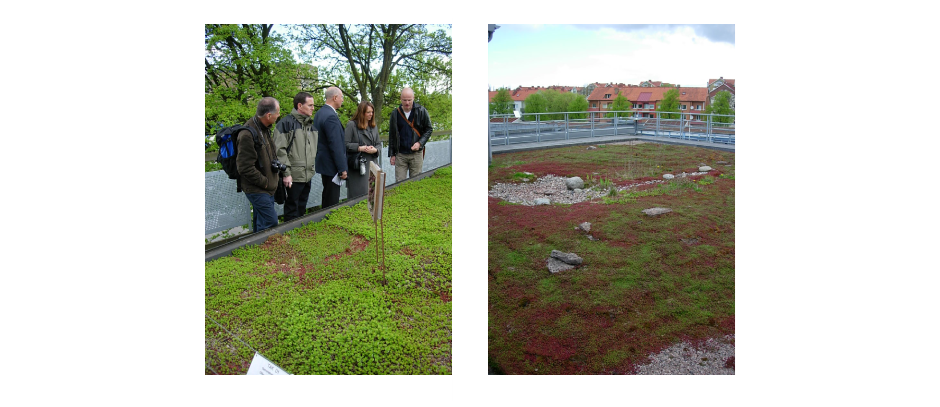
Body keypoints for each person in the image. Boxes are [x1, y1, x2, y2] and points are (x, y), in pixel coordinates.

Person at [236, 97, 281, 233]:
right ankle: (266, 252)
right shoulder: (247, 134)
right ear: (269, 115)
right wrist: (266, 183)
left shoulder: (265, 128)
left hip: (267, 188)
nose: (279, 115)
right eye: (277, 112)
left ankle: (257, 249)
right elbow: (244, 168)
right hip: (258, 189)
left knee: (261, 223)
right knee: (270, 223)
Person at [274, 92, 318, 222]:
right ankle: (290, 236)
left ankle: (299, 236)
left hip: (307, 174)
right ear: (300, 105)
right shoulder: (285, 124)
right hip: (293, 176)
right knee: (292, 209)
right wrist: (286, 173)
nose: (313, 108)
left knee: (302, 207)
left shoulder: (311, 126)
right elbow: (279, 150)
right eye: (310, 105)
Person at [388, 87, 433, 182]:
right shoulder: (395, 113)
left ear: (413, 98)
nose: (407, 103)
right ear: (400, 99)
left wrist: (420, 143)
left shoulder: (421, 111)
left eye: (409, 100)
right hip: (400, 154)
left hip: (416, 154)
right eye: (404, 100)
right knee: (399, 183)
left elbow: (429, 129)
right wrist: (392, 154)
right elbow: (392, 134)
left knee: (416, 183)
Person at [314, 87, 348, 208]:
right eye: (341, 97)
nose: (342, 100)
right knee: (332, 201)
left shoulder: (319, 113)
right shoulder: (330, 116)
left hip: (324, 164)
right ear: (335, 98)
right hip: (332, 166)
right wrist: (342, 168)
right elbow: (335, 145)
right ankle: (328, 223)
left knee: (327, 196)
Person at [344, 101, 380, 199]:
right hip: (358, 166)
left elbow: (378, 144)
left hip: (372, 165)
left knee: (372, 195)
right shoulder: (352, 125)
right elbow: (345, 144)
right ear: (362, 112)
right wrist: (359, 148)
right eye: (368, 112)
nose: (371, 114)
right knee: (357, 196)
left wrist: (375, 150)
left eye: (372, 112)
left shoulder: (373, 126)